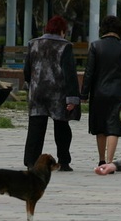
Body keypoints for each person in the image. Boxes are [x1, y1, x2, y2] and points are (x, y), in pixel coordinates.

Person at [23, 15, 81, 172]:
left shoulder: (33, 44)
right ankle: (64, 161)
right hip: (57, 94)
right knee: (61, 127)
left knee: (35, 128)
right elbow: (70, 74)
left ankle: (31, 162)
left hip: (36, 92)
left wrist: (31, 83)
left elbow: (27, 70)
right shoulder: (65, 46)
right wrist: (72, 98)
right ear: (63, 31)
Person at [81, 15, 121, 166]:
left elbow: (89, 72)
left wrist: (84, 94)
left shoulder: (96, 46)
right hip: (118, 91)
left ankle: (101, 160)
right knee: (114, 126)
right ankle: (110, 161)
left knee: (100, 126)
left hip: (99, 91)